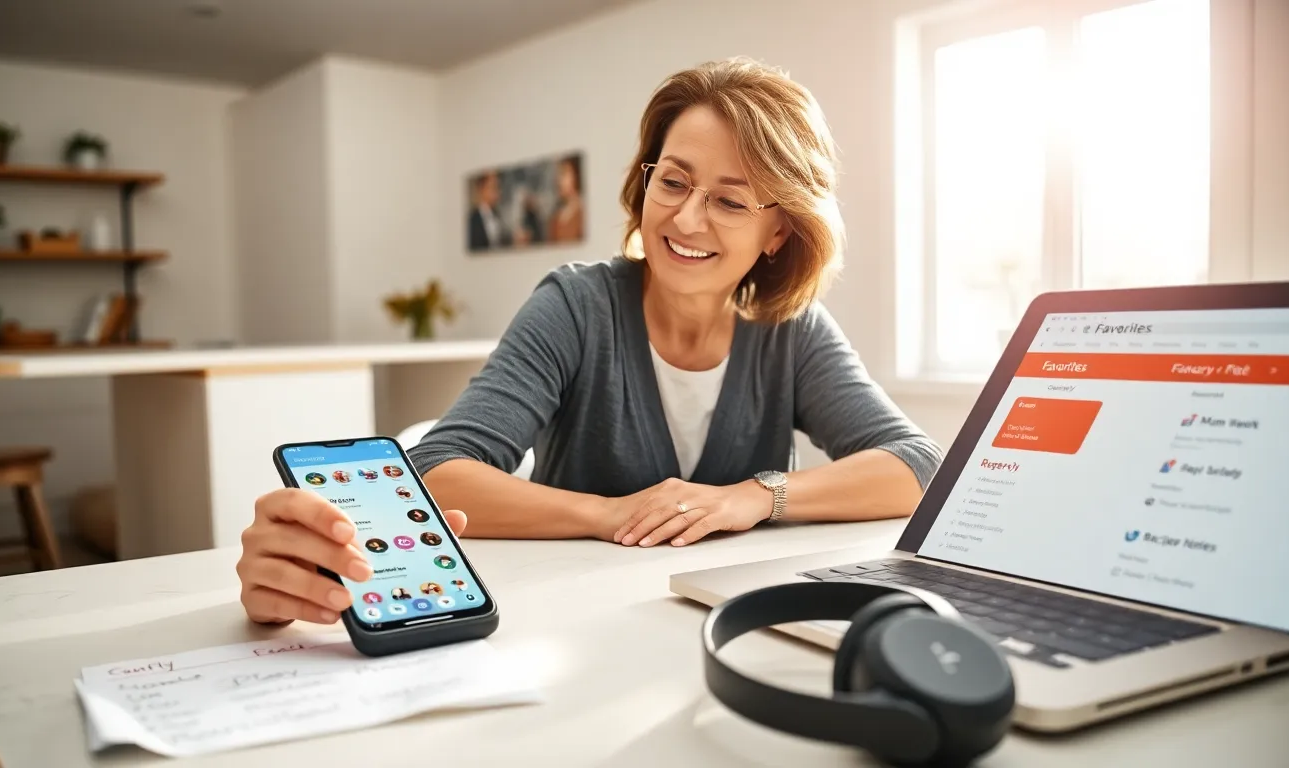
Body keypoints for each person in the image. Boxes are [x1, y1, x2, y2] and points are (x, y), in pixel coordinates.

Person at [235, 57, 942, 627]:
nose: (687, 219)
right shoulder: (577, 305)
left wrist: (754, 496)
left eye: (729, 200)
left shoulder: (791, 330)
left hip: (711, 624)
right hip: (572, 622)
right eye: (673, 181)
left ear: (779, 230)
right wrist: (610, 514)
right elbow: (440, 469)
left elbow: (920, 467)